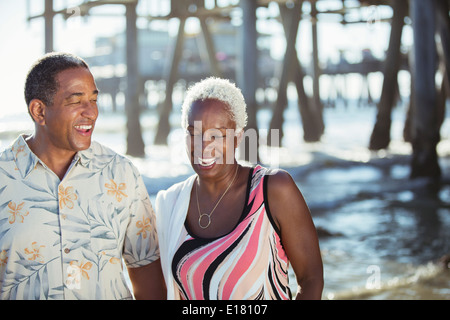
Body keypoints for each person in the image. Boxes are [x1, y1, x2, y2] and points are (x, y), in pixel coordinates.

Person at [0, 52, 165, 300]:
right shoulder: (4, 178)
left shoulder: (121, 174)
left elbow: (146, 273)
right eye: (76, 101)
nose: (91, 112)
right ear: (39, 111)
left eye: (94, 100)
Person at [156, 77, 323, 300]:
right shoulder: (172, 202)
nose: (204, 146)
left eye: (218, 134)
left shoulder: (273, 190)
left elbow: (311, 280)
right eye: (193, 133)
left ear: (238, 138)